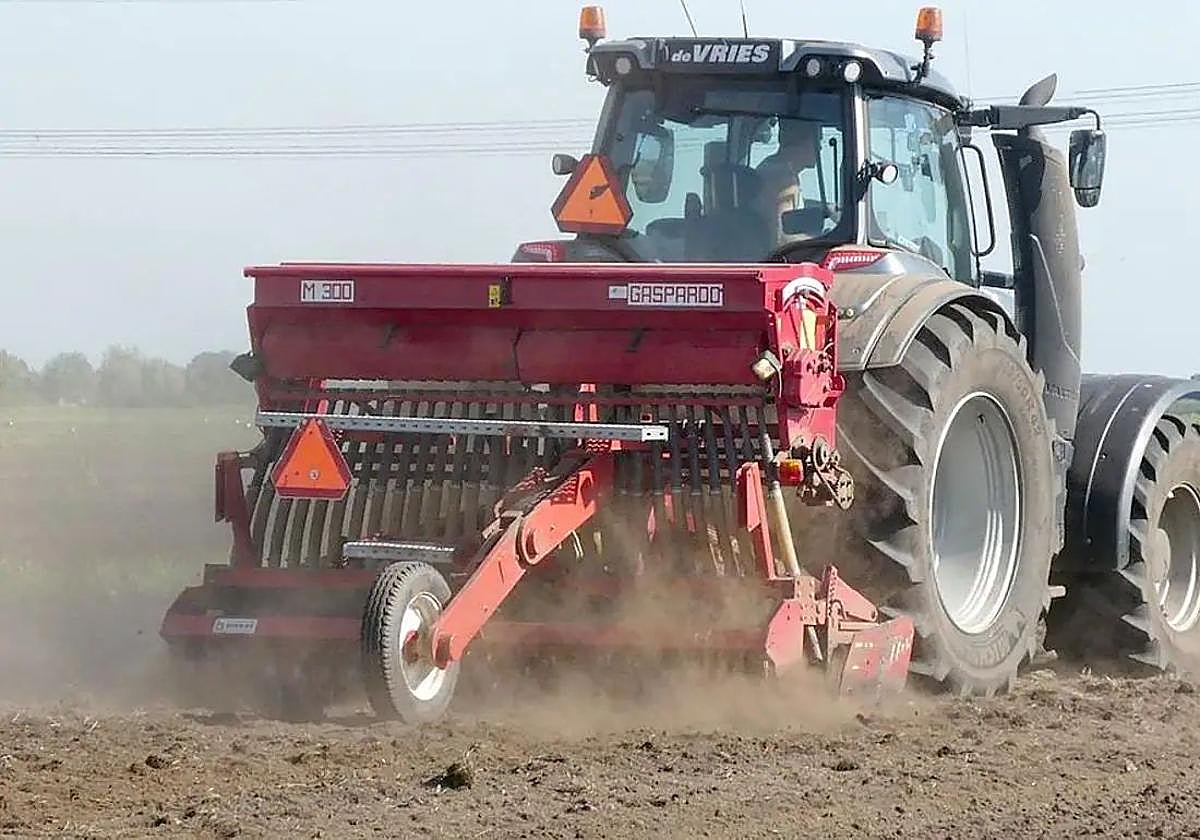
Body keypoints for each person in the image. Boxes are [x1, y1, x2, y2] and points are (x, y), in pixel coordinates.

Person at [754, 119, 819, 243]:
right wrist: (821, 240)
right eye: (817, 141)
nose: (820, 148)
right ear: (801, 142)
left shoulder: (770, 166)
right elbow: (781, 236)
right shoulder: (782, 181)